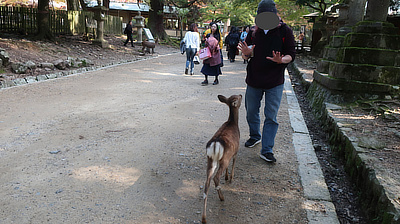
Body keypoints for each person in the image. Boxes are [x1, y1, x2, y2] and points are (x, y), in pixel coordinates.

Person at [238, 0, 295, 163]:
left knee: (271, 116)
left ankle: (267, 149)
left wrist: (281, 60)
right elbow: (245, 54)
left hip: (274, 81)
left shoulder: (285, 31)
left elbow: (291, 54)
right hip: (254, 78)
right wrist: (247, 53)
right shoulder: (254, 31)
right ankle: (255, 136)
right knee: (251, 112)